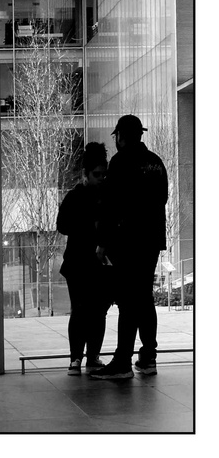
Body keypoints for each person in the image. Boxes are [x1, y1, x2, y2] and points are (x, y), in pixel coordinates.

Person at [90, 114, 168, 382]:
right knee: (144, 298)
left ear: (121, 136)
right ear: (141, 135)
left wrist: (103, 243)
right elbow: (162, 200)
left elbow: (111, 205)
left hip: (128, 241)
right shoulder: (156, 163)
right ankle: (148, 358)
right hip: (152, 241)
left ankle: (122, 361)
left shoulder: (121, 162)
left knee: (128, 300)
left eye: (117, 136)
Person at [56, 141, 112, 375]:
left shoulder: (74, 197)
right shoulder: (105, 198)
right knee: (94, 311)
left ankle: (78, 358)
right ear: (86, 174)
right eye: (98, 174)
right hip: (92, 263)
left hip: (78, 262)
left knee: (85, 310)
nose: (101, 178)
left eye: (103, 174)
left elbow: (63, 226)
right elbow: (63, 226)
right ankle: (89, 357)